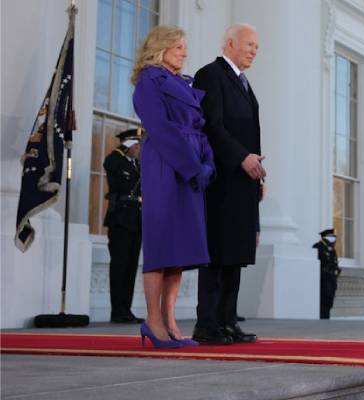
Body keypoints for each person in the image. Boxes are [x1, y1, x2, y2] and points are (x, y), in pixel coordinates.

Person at [131, 25, 214, 348]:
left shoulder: (182, 83)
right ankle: (153, 322)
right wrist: (192, 166)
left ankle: (169, 320)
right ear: (161, 48)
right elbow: (160, 128)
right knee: (161, 244)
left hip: (190, 166)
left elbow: (200, 129)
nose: (185, 52)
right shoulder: (149, 81)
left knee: (178, 249)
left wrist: (208, 163)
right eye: (179, 46)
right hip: (167, 165)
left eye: (184, 46)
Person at [191, 23, 263, 345]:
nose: (253, 51)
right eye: (249, 44)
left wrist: (257, 171)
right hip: (221, 180)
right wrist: (241, 158)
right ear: (230, 43)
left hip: (245, 180)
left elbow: (249, 132)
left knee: (236, 255)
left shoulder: (245, 84)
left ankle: (228, 322)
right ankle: (207, 324)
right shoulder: (210, 74)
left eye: (257, 47)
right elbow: (212, 126)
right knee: (218, 253)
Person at [103, 128, 144, 324]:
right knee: (119, 266)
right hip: (120, 219)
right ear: (126, 145)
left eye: (138, 144)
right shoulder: (116, 160)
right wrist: (122, 147)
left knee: (131, 266)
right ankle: (117, 310)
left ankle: (126, 309)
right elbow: (109, 164)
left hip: (136, 220)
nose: (138, 148)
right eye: (134, 144)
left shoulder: (137, 165)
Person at [312, 229, 342, 319]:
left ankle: (326, 319)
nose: (334, 240)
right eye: (332, 237)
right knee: (323, 302)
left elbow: (334, 263)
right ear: (325, 238)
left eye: (334, 238)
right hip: (323, 279)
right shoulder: (318, 247)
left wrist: (336, 269)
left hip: (331, 279)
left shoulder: (332, 250)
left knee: (329, 301)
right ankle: (322, 320)